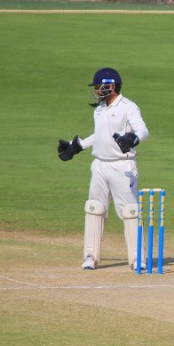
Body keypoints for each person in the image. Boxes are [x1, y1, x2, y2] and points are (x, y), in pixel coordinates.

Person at [57, 67, 149, 271]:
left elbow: (143, 130)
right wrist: (77, 146)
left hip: (122, 166)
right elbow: (100, 134)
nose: (97, 90)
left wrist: (132, 138)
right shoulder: (99, 108)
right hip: (99, 165)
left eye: (100, 86)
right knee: (94, 209)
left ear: (112, 86)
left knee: (129, 211)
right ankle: (91, 256)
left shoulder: (128, 106)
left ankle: (137, 259)